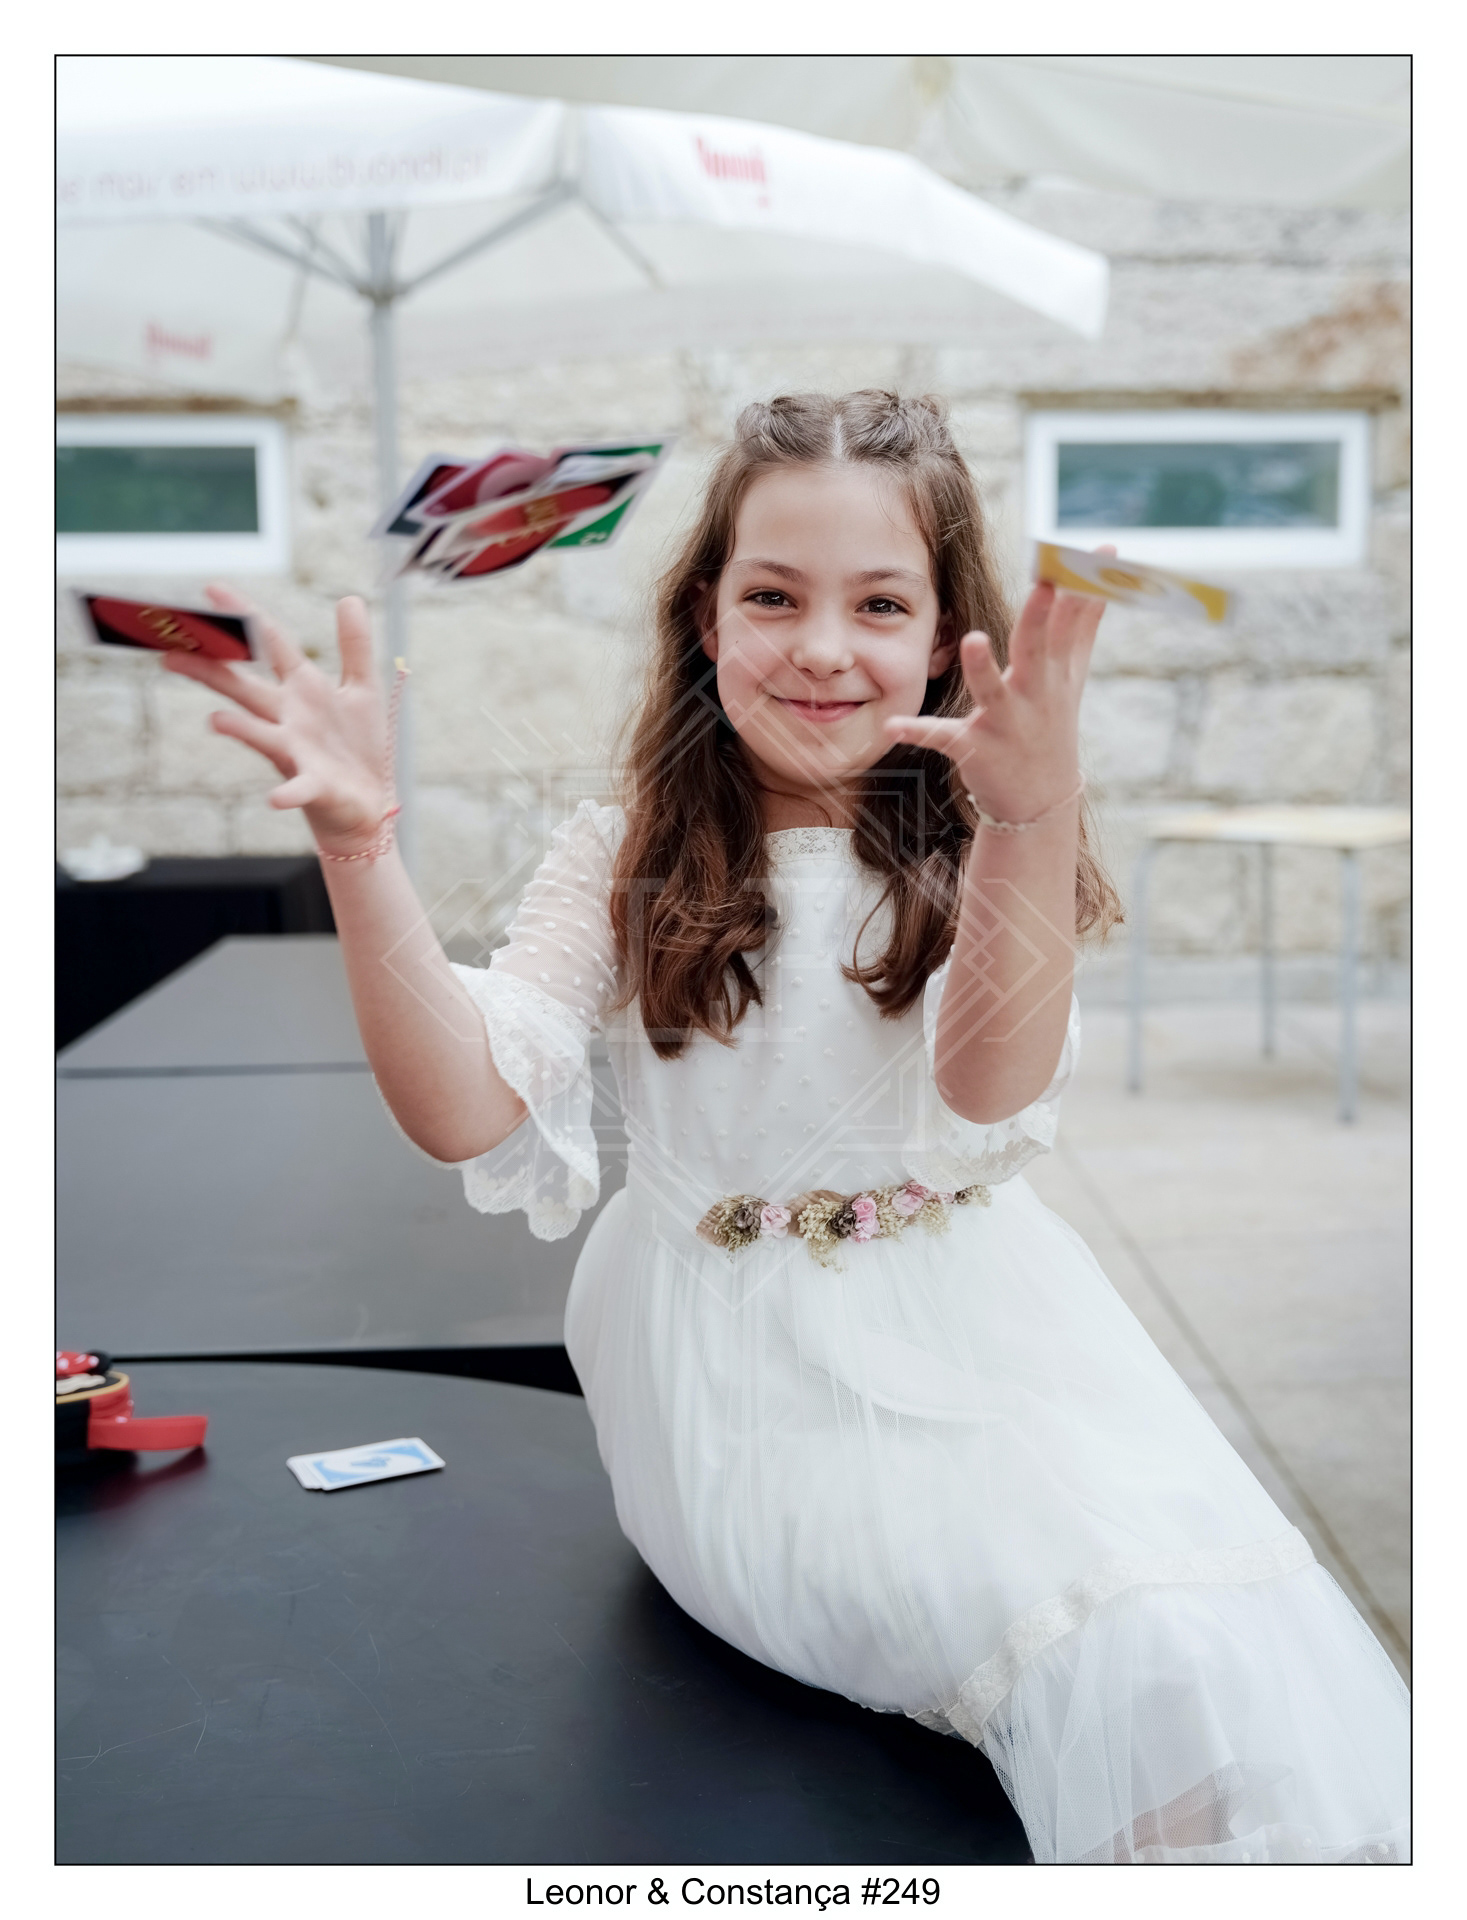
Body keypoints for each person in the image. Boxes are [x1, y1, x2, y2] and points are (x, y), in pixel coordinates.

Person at [167, 390, 1409, 1864]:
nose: (822, 647)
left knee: (1220, 1648)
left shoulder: (986, 840)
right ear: (705, 616)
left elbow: (989, 1088)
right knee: (1119, 1653)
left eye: (878, 603)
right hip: (738, 1381)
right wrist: (359, 848)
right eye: (773, 596)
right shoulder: (625, 853)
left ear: (947, 637)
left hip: (988, 1336)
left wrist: (1030, 821)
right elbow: (463, 1106)